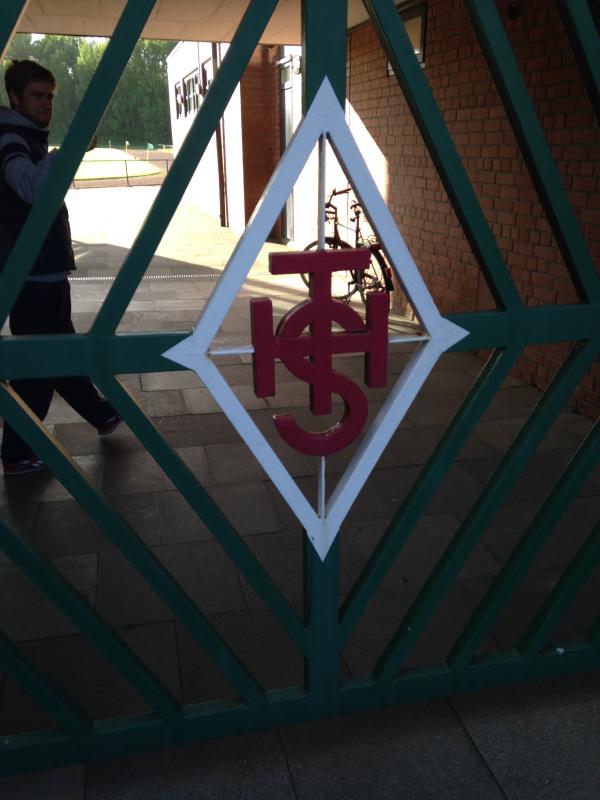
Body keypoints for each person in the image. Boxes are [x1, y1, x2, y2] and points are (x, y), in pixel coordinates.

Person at [0, 59, 121, 476]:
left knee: (60, 350)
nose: (46, 104)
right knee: (38, 364)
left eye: (50, 96)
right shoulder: (11, 138)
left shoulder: (23, 136)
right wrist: (67, 152)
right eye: (37, 95)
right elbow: (31, 187)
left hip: (41, 269)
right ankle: (16, 452)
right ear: (14, 97)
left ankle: (100, 413)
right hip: (29, 272)